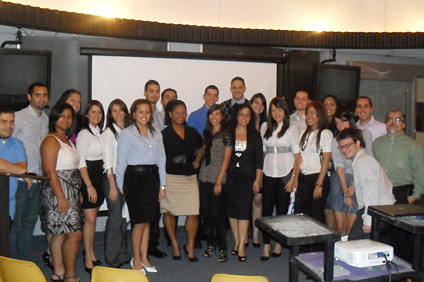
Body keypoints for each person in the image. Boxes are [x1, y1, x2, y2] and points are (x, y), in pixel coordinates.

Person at [116, 99, 166, 274]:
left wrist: (163, 185)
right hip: (134, 179)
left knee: (148, 221)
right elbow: (121, 161)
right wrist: (121, 185)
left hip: (152, 179)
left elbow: (161, 160)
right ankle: (135, 259)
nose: (144, 115)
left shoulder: (156, 133)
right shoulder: (127, 134)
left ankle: (145, 257)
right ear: (134, 114)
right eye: (140, 112)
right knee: (138, 223)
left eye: (147, 112)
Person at [41, 103, 82, 282]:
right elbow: (50, 171)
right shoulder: (51, 140)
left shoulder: (66, 139)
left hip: (70, 191)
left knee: (59, 233)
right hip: (58, 191)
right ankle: (70, 276)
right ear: (54, 118)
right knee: (74, 234)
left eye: (69, 116)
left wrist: (76, 191)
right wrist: (61, 198)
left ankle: (58, 272)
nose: (65, 119)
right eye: (62, 116)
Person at [10, 82, 49, 261]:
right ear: (29, 97)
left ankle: (23, 262)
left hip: (38, 181)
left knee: (29, 224)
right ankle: (11, 265)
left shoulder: (46, 119)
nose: (42, 98)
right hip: (19, 181)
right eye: (38, 95)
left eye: (45, 95)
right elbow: (8, 146)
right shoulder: (18, 117)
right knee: (15, 225)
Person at [161, 100, 203, 262]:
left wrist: (198, 160)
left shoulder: (191, 131)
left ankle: (190, 245)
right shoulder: (164, 134)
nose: (181, 115)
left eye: (183, 112)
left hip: (189, 176)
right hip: (171, 176)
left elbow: (201, 147)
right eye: (177, 112)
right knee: (169, 211)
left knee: (193, 212)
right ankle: (174, 243)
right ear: (170, 114)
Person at [336, 128, 395, 240]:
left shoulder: (363, 161)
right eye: (341, 147)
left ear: (358, 143)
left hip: (378, 211)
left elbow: (370, 191)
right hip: (379, 210)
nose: (344, 150)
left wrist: (369, 220)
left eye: (348, 145)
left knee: (354, 244)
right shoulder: (362, 160)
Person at [260, 97, 299, 261]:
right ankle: (266, 245)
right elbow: (263, 151)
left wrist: (294, 178)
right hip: (268, 173)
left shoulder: (292, 128)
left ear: (285, 111)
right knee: (266, 211)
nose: (276, 113)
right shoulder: (264, 127)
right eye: (273, 110)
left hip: (285, 175)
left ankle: (278, 244)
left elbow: (298, 155)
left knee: (282, 213)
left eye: (280, 110)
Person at [224, 103, 263, 262]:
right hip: (231, 178)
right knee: (232, 211)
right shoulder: (228, 133)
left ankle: (241, 247)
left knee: (243, 211)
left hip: (248, 179)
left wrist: (258, 179)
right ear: (236, 116)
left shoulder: (255, 135)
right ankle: (237, 240)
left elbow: (259, 160)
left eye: (247, 115)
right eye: (241, 115)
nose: (244, 118)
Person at [326, 108, 373, 236]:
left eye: (343, 122)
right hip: (341, 180)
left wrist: (354, 185)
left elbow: (369, 159)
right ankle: (339, 250)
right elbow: (339, 166)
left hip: (361, 178)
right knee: (341, 226)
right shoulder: (335, 141)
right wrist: (346, 192)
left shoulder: (365, 135)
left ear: (351, 121)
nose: (340, 126)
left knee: (352, 225)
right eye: (337, 123)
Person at [100, 99, 132, 268]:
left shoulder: (128, 131)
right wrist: (112, 186)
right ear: (110, 115)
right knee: (114, 219)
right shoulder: (108, 133)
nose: (118, 113)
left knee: (123, 218)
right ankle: (111, 259)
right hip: (112, 179)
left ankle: (122, 253)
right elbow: (108, 163)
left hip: (126, 180)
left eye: (121, 110)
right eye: (114, 111)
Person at [198, 104, 232, 262]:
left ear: (222, 116)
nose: (214, 117)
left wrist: (219, 182)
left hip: (217, 178)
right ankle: (211, 244)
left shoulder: (226, 134)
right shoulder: (208, 133)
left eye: (217, 114)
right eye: (211, 114)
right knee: (207, 214)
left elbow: (226, 159)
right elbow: (203, 154)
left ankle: (223, 247)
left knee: (217, 215)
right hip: (204, 177)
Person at [76, 100, 105, 273]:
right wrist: (88, 186)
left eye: (99, 112)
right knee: (90, 220)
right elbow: (80, 162)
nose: (96, 115)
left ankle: (91, 252)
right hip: (88, 180)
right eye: (93, 112)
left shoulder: (99, 132)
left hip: (98, 178)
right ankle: (87, 258)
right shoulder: (84, 134)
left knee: (92, 220)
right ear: (87, 114)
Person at [373, 109, 424, 204]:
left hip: (402, 193)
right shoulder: (377, 143)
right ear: (386, 123)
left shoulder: (413, 145)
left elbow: (420, 173)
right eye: (390, 119)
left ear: (403, 125)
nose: (393, 122)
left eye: (397, 119)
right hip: (380, 191)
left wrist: (415, 196)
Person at [295, 101, 332, 225]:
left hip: (317, 178)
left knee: (316, 216)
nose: (309, 116)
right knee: (300, 214)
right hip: (304, 178)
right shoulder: (303, 133)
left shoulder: (324, 133)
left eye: (312, 113)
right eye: (307, 113)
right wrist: (295, 177)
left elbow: (326, 159)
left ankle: (317, 245)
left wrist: (319, 184)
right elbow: (299, 157)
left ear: (319, 116)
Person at [143, 79, 168, 258]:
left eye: (157, 91)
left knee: (155, 209)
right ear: (145, 93)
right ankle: (142, 246)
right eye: (151, 91)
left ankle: (152, 244)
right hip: (141, 169)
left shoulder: (160, 116)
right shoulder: (139, 113)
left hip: (157, 166)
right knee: (143, 211)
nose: (154, 94)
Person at [0, 105, 27, 220]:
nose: (9, 126)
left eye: (12, 122)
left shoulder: (17, 144)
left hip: (8, 207)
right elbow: (19, 169)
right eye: (4, 121)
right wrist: (15, 168)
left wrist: (5, 167)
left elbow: (22, 168)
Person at [249, 93, 267, 248]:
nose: (258, 106)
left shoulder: (267, 123)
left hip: (261, 166)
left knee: (258, 199)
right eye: (256, 102)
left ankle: (255, 234)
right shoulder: (243, 120)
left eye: (262, 104)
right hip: (245, 166)